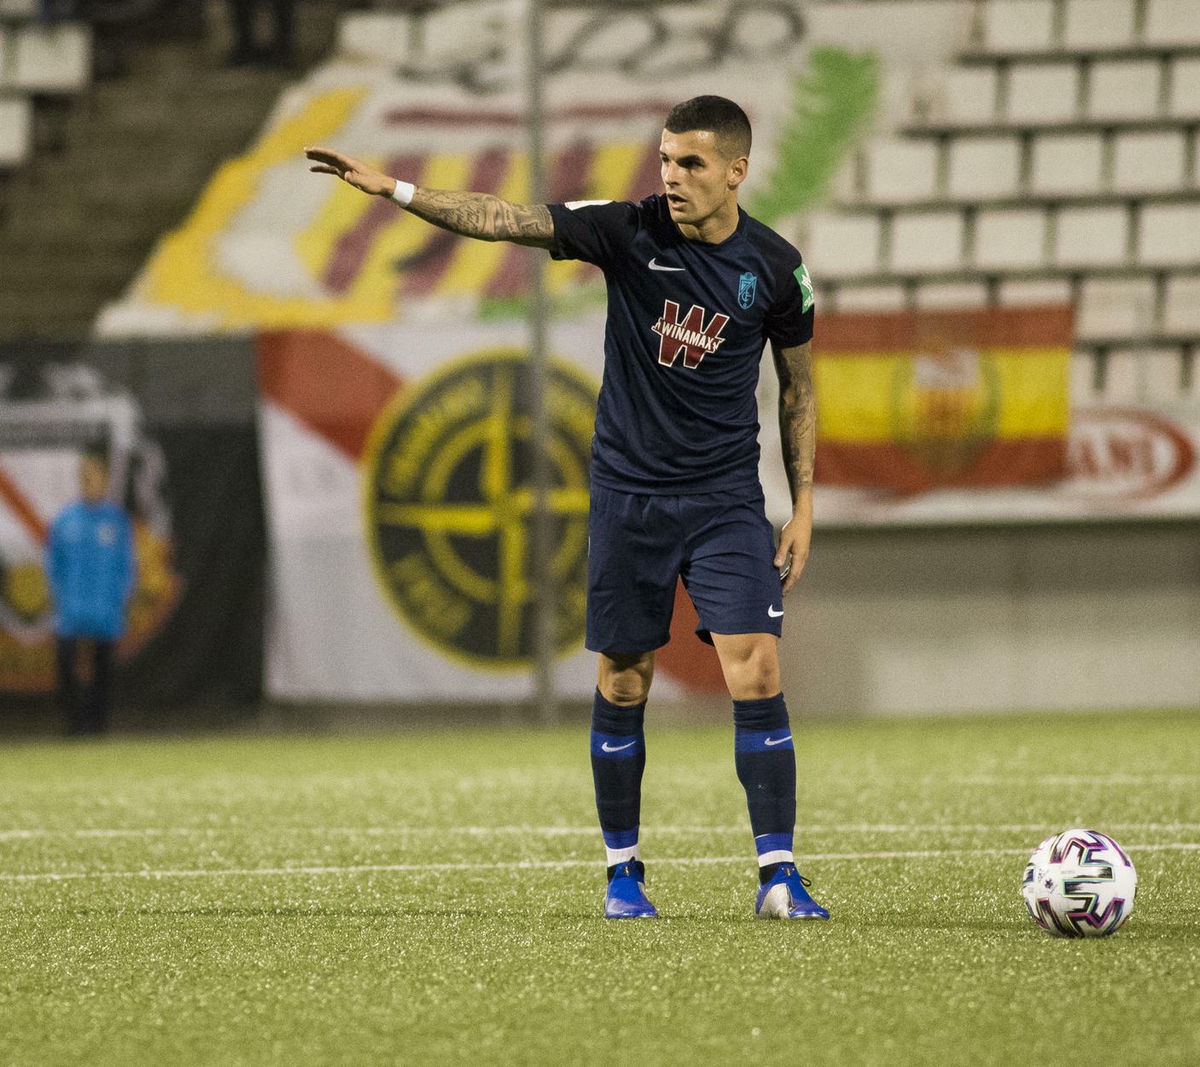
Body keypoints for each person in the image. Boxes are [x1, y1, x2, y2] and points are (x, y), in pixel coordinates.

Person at [304, 94, 826, 921]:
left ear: (737, 170)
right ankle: (624, 873)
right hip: (629, 495)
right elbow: (504, 218)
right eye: (664, 159)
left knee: (756, 665)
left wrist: (800, 507)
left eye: (691, 163)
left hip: (727, 497)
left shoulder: (776, 266)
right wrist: (397, 191)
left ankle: (779, 875)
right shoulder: (627, 231)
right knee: (624, 679)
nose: (672, 176)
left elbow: (798, 386)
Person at [46, 450, 136, 737]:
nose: (90, 482)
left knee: (103, 670)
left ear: (106, 480)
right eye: (85, 477)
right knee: (66, 666)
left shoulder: (116, 521)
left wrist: (121, 598)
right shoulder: (65, 520)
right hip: (71, 610)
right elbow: (54, 563)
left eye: (96, 477)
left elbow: (126, 564)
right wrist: (59, 597)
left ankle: (98, 726)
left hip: (105, 610)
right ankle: (73, 725)